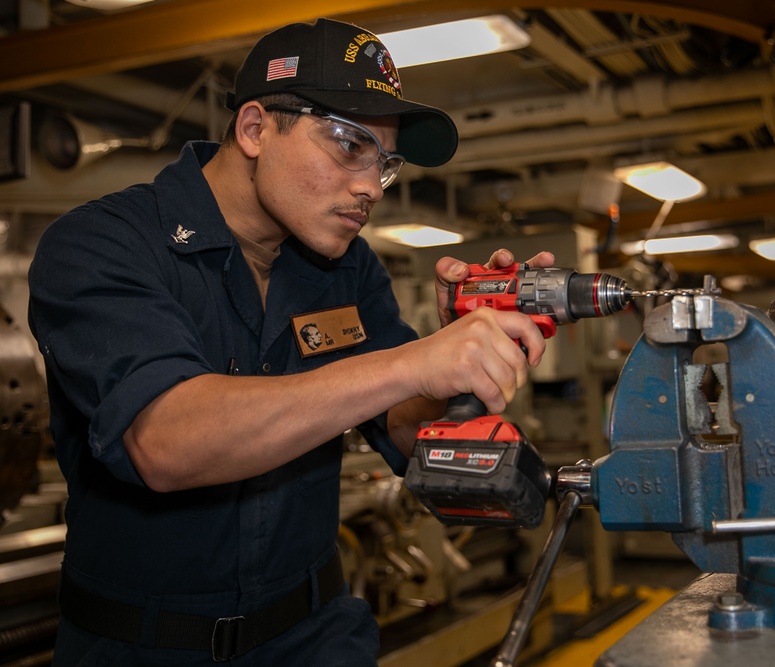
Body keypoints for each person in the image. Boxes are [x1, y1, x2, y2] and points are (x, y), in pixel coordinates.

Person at [28, 18, 553, 666]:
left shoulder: (348, 269)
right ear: (254, 129)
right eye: (348, 145)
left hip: (315, 636)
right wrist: (411, 362)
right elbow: (165, 440)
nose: (370, 187)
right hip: (145, 646)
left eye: (384, 163)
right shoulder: (103, 245)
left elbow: (405, 434)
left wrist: (453, 369)